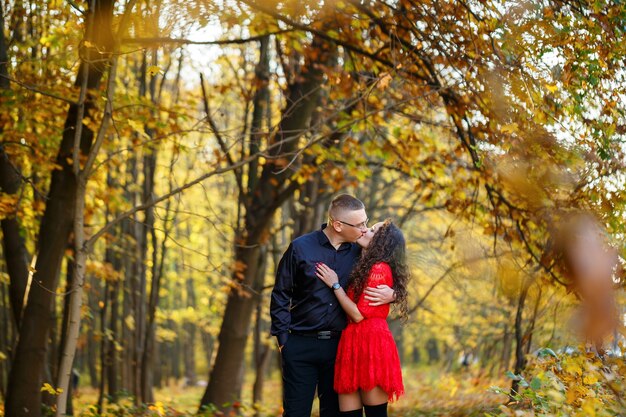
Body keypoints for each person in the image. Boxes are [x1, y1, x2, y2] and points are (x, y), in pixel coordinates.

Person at [270, 195, 395, 417]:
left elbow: (394, 271)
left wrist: (394, 294)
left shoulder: (361, 254)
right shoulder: (300, 248)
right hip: (300, 345)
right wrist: (283, 341)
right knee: (295, 412)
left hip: (340, 347)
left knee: (334, 413)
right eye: (360, 225)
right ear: (337, 225)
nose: (364, 229)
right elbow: (281, 293)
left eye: (366, 223)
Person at [316, 220, 409, 417]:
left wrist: (335, 285)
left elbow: (358, 315)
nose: (365, 229)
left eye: (373, 230)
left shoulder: (379, 269)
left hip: (371, 342)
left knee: (375, 413)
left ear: (382, 242)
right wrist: (396, 294)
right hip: (351, 342)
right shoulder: (360, 260)